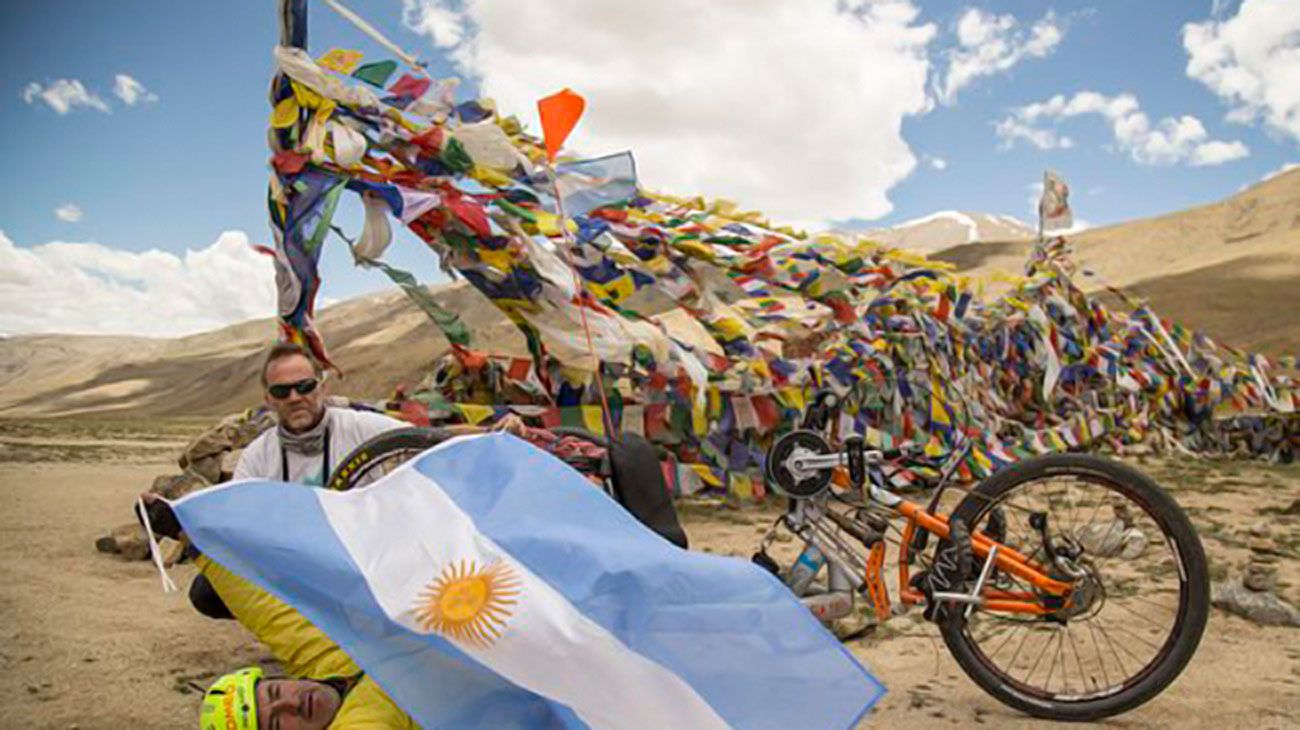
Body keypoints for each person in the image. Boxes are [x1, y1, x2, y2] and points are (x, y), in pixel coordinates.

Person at [234, 342, 408, 486]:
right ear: (268, 399)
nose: (294, 398)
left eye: (305, 386)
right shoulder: (256, 458)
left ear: (323, 389)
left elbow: (425, 444)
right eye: (281, 391)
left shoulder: (363, 428)